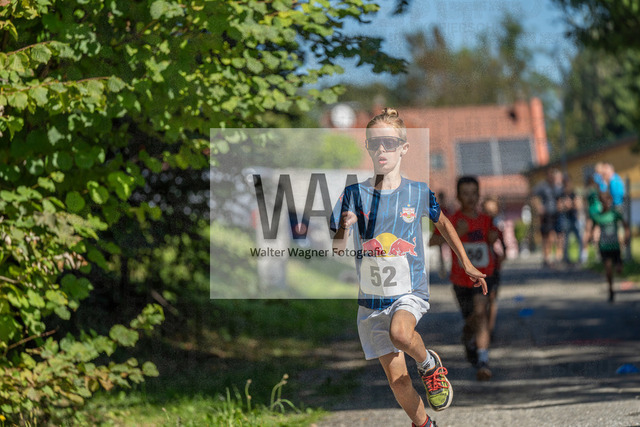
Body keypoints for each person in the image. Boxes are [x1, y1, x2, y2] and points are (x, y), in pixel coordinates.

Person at [331, 108, 488, 427]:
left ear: (403, 148)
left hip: (408, 290)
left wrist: (466, 262)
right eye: (374, 143)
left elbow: (443, 223)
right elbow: (337, 249)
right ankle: (425, 424)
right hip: (372, 298)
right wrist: (344, 228)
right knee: (398, 381)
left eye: (389, 143)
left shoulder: (417, 192)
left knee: (401, 333)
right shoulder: (353, 194)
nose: (382, 149)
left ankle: (429, 364)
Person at [430, 177, 498, 381]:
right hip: (460, 279)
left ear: (479, 195)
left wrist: (493, 237)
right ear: (458, 197)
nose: (470, 197)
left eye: (474, 193)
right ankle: (468, 337)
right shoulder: (451, 220)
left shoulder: (486, 219)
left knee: (481, 313)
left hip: (484, 275)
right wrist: (455, 234)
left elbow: (493, 237)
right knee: (472, 319)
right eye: (465, 193)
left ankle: (483, 361)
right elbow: (432, 241)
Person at [586, 192, 630, 302]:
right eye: (605, 202)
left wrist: (626, 237)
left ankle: (618, 267)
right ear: (601, 203)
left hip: (615, 246)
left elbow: (625, 225)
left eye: (609, 202)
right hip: (604, 246)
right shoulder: (599, 216)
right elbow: (593, 227)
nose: (607, 204)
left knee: (618, 269)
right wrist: (591, 237)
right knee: (608, 269)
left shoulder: (615, 214)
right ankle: (611, 290)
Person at [481, 196, 506, 341]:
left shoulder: (496, 228)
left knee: (492, 298)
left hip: (493, 268)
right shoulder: (477, 226)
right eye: (486, 211)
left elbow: (504, 246)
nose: (489, 215)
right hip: (478, 269)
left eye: (492, 212)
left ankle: (489, 330)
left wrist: (501, 258)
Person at [532, 169, 563, 267]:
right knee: (547, 236)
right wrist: (539, 207)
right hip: (546, 215)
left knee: (558, 235)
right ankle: (547, 257)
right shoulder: (542, 186)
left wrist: (560, 205)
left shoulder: (557, 187)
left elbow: (560, 197)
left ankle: (557, 256)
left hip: (556, 214)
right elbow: (534, 196)